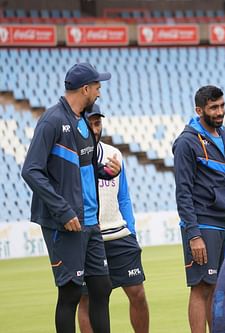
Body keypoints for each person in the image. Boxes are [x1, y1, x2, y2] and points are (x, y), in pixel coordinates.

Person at [21, 63, 121, 333]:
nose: (100, 92)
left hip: (90, 222)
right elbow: (30, 170)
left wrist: (106, 171)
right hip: (65, 223)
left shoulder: (84, 122)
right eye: (97, 87)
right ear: (85, 89)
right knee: (70, 294)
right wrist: (63, 212)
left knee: (101, 287)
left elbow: (82, 166)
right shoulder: (51, 121)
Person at [172, 85, 225, 333]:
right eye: (214, 107)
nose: (220, 111)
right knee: (201, 287)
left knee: (220, 287)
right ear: (199, 110)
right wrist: (194, 234)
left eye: (222, 105)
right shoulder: (186, 143)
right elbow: (183, 192)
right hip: (203, 225)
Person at [77, 104, 149, 333]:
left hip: (118, 234)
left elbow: (124, 197)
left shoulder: (114, 154)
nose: (95, 128)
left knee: (138, 294)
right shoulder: (72, 158)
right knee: (87, 300)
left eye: (98, 123)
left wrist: (132, 231)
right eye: (91, 123)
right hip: (88, 237)